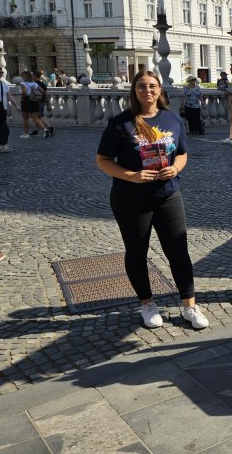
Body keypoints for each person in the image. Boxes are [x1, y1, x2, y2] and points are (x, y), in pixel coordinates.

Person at [95, 70, 209, 330]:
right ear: (134, 91)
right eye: (142, 86)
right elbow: (102, 161)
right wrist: (131, 176)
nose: (148, 90)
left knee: (178, 251)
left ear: (160, 90)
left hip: (168, 194)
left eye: (152, 86)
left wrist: (177, 169)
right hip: (130, 198)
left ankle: (190, 306)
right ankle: (147, 303)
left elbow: (182, 154)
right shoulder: (121, 123)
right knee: (137, 252)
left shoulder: (172, 119)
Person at [0, 65, 19, 153]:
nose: (1, 74)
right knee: (4, 128)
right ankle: (3, 145)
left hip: (3, 108)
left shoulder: (3, 83)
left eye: (2, 72)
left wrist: (16, 105)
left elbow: (9, 95)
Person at [19, 71, 51, 139]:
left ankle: (26, 134)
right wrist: (37, 97)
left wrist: (22, 99)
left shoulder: (23, 83)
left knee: (25, 119)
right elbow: (42, 91)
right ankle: (45, 129)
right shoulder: (34, 83)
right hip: (35, 101)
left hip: (26, 101)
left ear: (24, 76)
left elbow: (24, 92)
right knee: (36, 117)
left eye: (22, 76)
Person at [32, 71, 55, 138]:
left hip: (36, 102)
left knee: (38, 117)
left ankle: (50, 128)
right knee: (38, 116)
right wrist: (48, 103)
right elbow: (46, 94)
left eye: (32, 75)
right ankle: (36, 130)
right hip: (43, 101)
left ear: (34, 76)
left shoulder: (34, 84)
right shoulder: (43, 83)